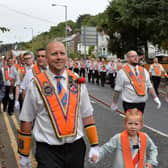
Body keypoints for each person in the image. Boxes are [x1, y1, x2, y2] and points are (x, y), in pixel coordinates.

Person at [18, 41, 99, 168]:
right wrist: (24, 153)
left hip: (76, 148)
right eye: (54, 54)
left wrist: (94, 144)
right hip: (48, 151)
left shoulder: (76, 80)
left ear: (66, 57)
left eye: (62, 53)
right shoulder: (35, 84)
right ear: (47, 58)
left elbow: (87, 114)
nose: (59, 57)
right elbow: (26, 120)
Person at [90, 108, 158, 168]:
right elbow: (106, 148)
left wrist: (152, 161)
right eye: (130, 123)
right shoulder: (118, 138)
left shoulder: (145, 137)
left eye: (136, 124)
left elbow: (153, 149)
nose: (133, 127)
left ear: (141, 125)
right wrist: (97, 155)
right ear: (125, 124)